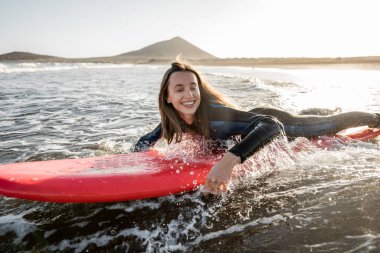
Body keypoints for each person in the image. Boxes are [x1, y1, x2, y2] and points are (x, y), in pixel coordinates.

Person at [132, 60, 380, 194]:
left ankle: (375, 116)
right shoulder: (171, 121)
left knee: (324, 126)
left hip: (268, 122)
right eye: (179, 89)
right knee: (312, 119)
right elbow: (144, 142)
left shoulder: (215, 116)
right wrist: (134, 161)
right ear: (167, 98)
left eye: (193, 87)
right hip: (252, 123)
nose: (189, 94)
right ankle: (320, 110)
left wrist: (229, 160)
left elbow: (271, 126)